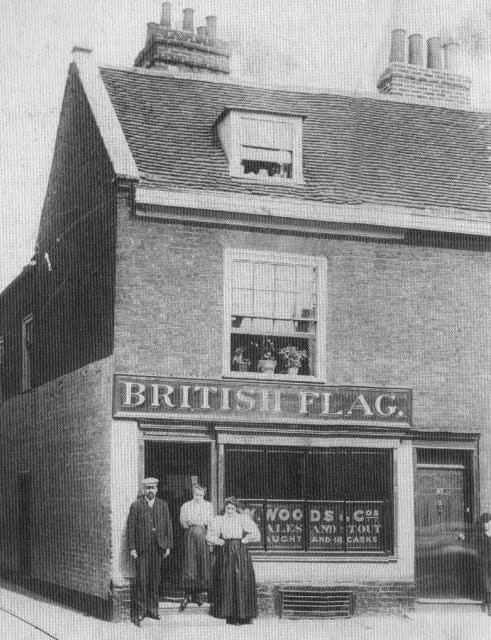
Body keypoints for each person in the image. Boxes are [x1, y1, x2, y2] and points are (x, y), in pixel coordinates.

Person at [206, 496, 260, 625]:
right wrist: (219, 541)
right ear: (225, 508)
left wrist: (245, 539)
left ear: (236, 508)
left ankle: (243, 614)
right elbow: (209, 536)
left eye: (233, 508)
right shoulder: (219, 520)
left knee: (241, 580)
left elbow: (256, 533)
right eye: (228, 508)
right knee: (228, 581)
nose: (230, 510)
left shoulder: (242, 518)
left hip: (240, 553)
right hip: (226, 552)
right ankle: (229, 614)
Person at [127, 477, 173, 627]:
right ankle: (141, 611)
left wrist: (167, 546)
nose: (150, 491)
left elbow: (168, 527)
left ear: (157, 489)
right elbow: (131, 528)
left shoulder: (163, 505)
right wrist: (132, 548)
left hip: (158, 548)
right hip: (142, 549)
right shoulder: (136, 506)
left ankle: (153, 610)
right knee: (142, 579)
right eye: (147, 488)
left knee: (155, 579)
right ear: (143, 490)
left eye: (152, 488)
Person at [179, 483, 215, 610]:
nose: (198, 497)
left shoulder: (209, 506)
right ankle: (187, 594)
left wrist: (210, 541)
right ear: (192, 494)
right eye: (196, 494)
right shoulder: (186, 506)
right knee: (190, 563)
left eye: (200, 495)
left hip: (203, 537)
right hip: (190, 537)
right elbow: (184, 522)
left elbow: (210, 523)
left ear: (204, 495)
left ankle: (199, 594)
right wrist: (193, 523)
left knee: (201, 563)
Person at [478, 512, 491, 615]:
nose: (486, 525)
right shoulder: (481, 535)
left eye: (488, 522)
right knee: (485, 581)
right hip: (484, 560)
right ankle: (487, 604)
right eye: (485, 522)